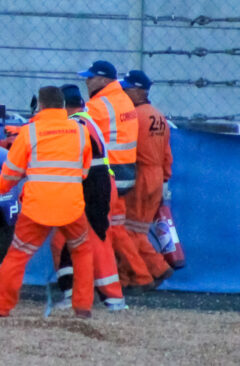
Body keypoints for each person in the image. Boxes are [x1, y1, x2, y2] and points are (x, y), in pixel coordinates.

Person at [0, 86, 94, 318]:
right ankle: (83, 307)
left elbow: (10, 175)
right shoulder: (80, 131)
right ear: (64, 106)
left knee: (18, 254)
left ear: (41, 106)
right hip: (72, 205)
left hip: (37, 207)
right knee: (82, 251)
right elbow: (84, 170)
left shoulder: (30, 133)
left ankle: (1, 308)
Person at [51, 83, 127, 312]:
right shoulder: (86, 120)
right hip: (100, 184)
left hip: (93, 186)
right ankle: (82, 294)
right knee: (73, 241)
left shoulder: (75, 125)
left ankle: (107, 298)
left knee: (90, 240)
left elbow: (66, 156)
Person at [79, 59, 153, 291]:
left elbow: (77, 132)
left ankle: (139, 276)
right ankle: (137, 276)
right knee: (118, 228)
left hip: (108, 174)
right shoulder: (122, 99)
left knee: (110, 229)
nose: (87, 81)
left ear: (103, 80)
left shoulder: (98, 106)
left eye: (90, 77)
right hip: (126, 171)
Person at [121, 70, 174, 289]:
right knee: (137, 229)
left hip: (140, 174)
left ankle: (157, 268)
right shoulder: (159, 116)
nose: (123, 92)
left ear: (138, 91)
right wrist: (164, 181)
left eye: (126, 88)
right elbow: (167, 155)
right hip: (156, 175)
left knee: (128, 231)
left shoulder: (134, 117)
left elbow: (127, 150)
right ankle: (126, 278)